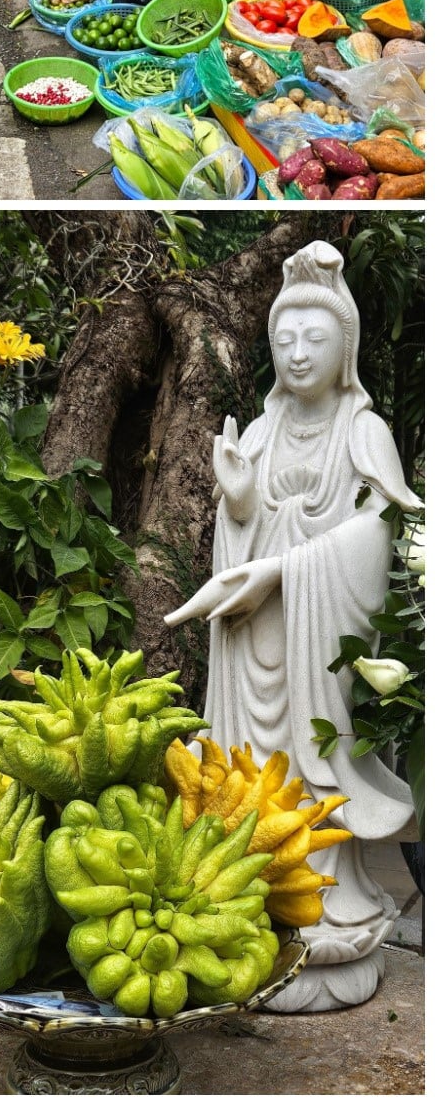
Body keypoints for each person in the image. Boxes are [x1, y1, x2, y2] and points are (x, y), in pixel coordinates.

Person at [163, 240, 420, 1009]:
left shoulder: (361, 432)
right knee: (246, 768)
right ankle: (250, 898)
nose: (299, 353)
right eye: (285, 340)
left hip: (320, 642)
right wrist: (238, 503)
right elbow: (241, 529)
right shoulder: (266, 428)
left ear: (344, 350)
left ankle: (326, 898)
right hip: (253, 644)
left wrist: (284, 572)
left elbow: (381, 538)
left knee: (310, 765)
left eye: (316, 339)